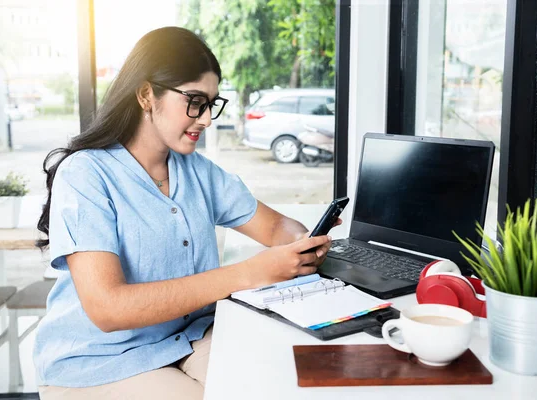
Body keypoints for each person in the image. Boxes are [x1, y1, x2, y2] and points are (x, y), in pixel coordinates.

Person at [33, 27, 336, 399]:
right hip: (98, 361)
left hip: (187, 338)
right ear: (146, 94)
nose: (206, 119)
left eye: (211, 103)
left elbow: (274, 225)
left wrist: (301, 241)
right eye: (194, 101)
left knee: (283, 382)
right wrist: (249, 274)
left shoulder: (197, 171)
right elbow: (107, 308)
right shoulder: (85, 174)